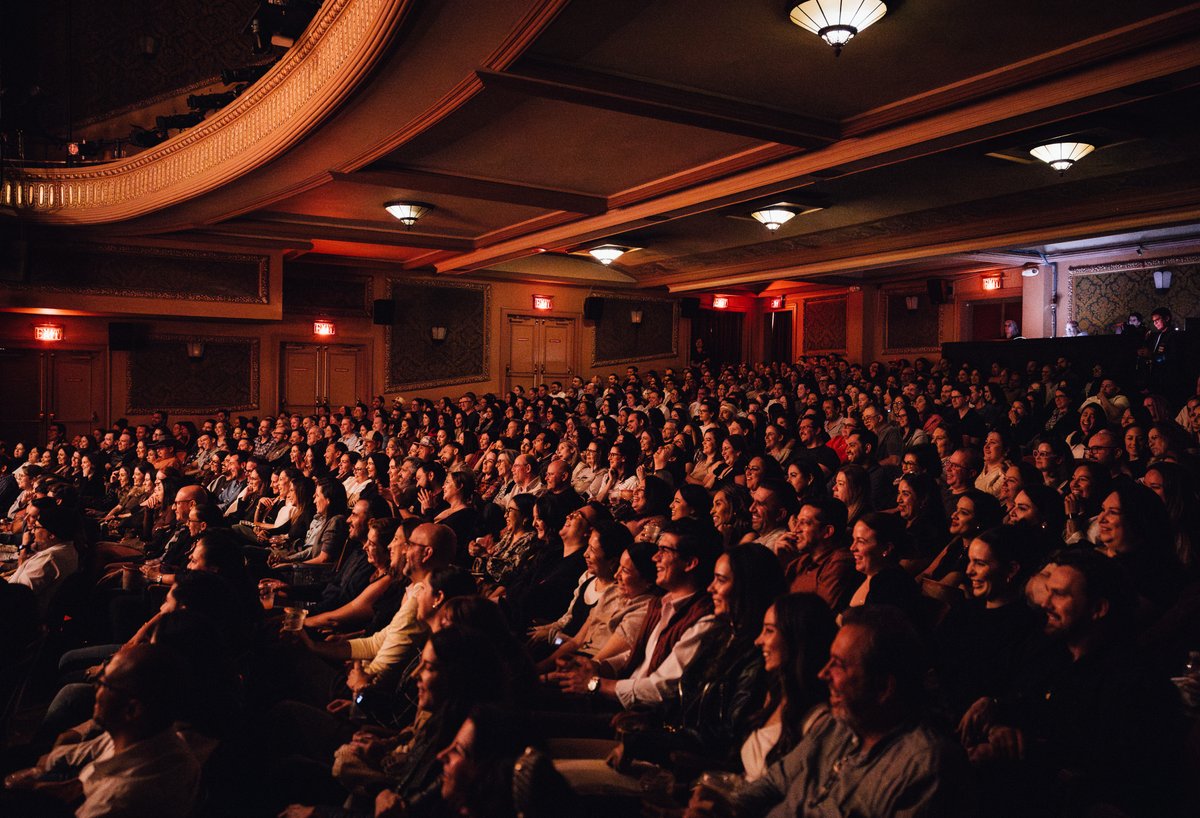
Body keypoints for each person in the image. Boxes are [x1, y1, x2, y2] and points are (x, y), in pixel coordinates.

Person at [694, 606, 973, 818]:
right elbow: (775, 782)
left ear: (883, 687)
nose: (823, 673)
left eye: (838, 665)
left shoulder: (924, 767)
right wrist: (727, 808)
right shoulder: (836, 727)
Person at [13, 644, 201, 818]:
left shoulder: (117, 800)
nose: (95, 689)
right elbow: (88, 750)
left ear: (132, 709)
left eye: (103, 684)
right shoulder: (143, 733)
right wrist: (46, 776)